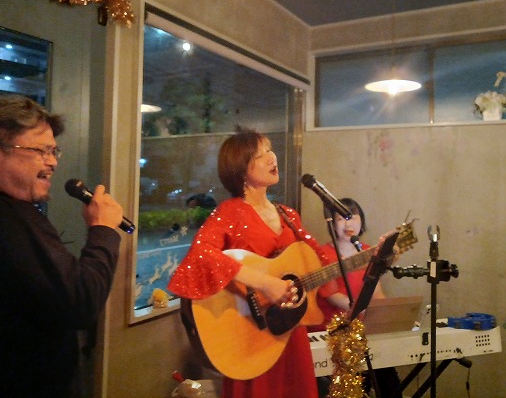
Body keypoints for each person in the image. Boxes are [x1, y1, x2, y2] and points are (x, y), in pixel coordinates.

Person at [0, 95, 126, 398]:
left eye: (53, 151)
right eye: (40, 151)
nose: (52, 162)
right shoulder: (7, 219)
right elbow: (80, 302)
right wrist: (103, 230)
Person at [168, 129, 326, 398]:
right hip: (252, 332)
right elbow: (201, 254)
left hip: (290, 330)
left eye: (270, 150)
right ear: (240, 169)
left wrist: (371, 256)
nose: (272, 157)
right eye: (261, 155)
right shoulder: (230, 212)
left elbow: (320, 259)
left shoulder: (288, 215)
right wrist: (265, 283)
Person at [311, 198, 403, 398]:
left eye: (353, 217)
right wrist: (364, 310)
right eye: (341, 218)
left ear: (362, 221)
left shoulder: (368, 252)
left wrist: (387, 315)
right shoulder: (321, 254)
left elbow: (376, 291)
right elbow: (333, 296)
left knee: (387, 376)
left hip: (363, 330)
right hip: (332, 333)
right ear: (332, 223)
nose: (348, 224)